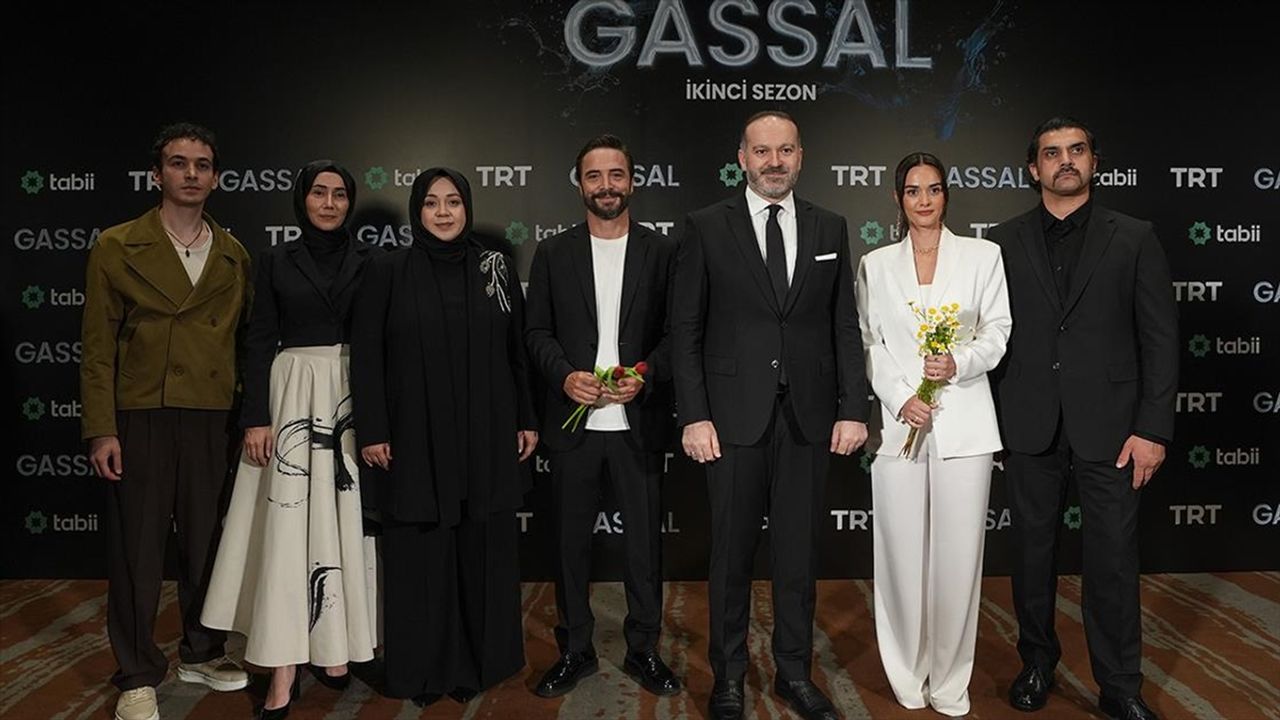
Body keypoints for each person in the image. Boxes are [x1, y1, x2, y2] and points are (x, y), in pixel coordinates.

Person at [671, 110, 869, 720]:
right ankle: (729, 677)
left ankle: (793, 673)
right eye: (762, 151)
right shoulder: (705, 226)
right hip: (731, 420)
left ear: (801, 156)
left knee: (798, 555)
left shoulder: (830, 225)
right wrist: (694, 414)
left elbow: (843, 326)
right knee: (730, 556)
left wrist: (853, 408)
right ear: (742, 158)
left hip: (809, 420)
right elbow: (686, 330)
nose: (774, 162)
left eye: (785, 150)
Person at [990, 117, 1177, 720]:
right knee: (1031, 554)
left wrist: (1153, 428)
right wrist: (991, 424)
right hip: (1029, 422)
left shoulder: (1135, 236)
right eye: (1051, 153)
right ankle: (1036, 663)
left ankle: (1120, 685)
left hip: (1115, 428)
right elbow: (989, 337)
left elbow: (1159, 339)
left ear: (1095, 161)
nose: (1064, 160)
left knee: (1113, 560)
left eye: (1076, 150)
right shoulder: (1001, 241)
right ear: (1033, 168)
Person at [80, 122, 251, 720]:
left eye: (202, 165)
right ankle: (136, 673)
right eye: (178, 163)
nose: (191, 174)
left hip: (211, 415)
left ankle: (203, 650)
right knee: (139, 552)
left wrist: (246, 418)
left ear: (216, 178)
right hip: (142, 412)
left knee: (206, 544)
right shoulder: (116, 245)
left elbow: (242, 346)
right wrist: (102, 429)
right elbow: (97, 347)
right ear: (157, 175)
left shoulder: (233, 254)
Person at [350, 167, 538, 707]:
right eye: (431, 203)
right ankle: (422, 671)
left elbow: (516, 351)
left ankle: (481, 664)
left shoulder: (494, 267)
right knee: (421, 555)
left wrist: (526, 418)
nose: (443, 212)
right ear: (417, 211)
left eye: (453, 201)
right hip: (414, 437)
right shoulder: (387, 270)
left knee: (482, 550)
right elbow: (367, 356)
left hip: (487, 434)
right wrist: (374, 429)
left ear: (467, 207)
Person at [200, 161, 378, 719]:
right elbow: (258, 340)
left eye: (339, 194)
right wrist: (256, 417)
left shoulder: (372, 262)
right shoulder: (275, 259)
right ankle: (282, 668)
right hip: (291, 396)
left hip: (351, 394)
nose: (329, 203)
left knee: (340, 524)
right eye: (319, 193)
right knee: (286, 531)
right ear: (302, 200)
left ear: (350, 202)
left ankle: (336, 649)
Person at [855, 152, 1011, 717]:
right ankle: (906, 671)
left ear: (947, 195)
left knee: (959, 560)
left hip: (966, 425)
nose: (924, 200)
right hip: (899, 427)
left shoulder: (983, 255)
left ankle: (949, 679)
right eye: (913, 190)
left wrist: (959, 362)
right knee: (899, 556)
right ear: (898, 198)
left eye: (935, 189)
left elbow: (998, 330)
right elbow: (868, 342)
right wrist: (903, 397)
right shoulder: (875, 265)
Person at [524, 134, 680, 698]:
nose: (606, 186)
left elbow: (678, 334)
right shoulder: (552, 253)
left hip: (639, 424)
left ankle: (644, 649)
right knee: (569, 547)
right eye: (595, 176)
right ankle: (575, 649)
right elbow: (536, 332)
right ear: (581, 184)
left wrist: (648, 375)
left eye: (616, 174)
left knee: (644, 549)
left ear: (632, 181)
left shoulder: (662, 252)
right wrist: (566, 376)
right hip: (574, 425)